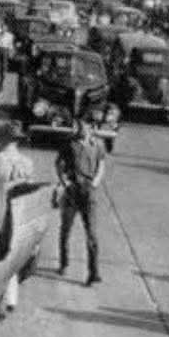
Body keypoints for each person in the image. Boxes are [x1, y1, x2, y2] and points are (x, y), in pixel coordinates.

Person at [56, 113, 106, 286]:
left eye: (83, 125)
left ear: (91, 128)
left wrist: (95, 183)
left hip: (89, 191)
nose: (79, 128)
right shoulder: (69, 143)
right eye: (79, 125)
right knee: (66, 229)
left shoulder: (98, 144)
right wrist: (65, 183)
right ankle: (64, 262)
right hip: (73, 191)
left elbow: (101, 165)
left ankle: (94, 272)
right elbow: (59, 165)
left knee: (92, 233)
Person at [0, 124, 34, 320]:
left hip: (1, 212)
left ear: (4, 140)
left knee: (0, 254)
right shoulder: (27, 163)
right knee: (15, 254)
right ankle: (11, 299)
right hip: (22, 213)